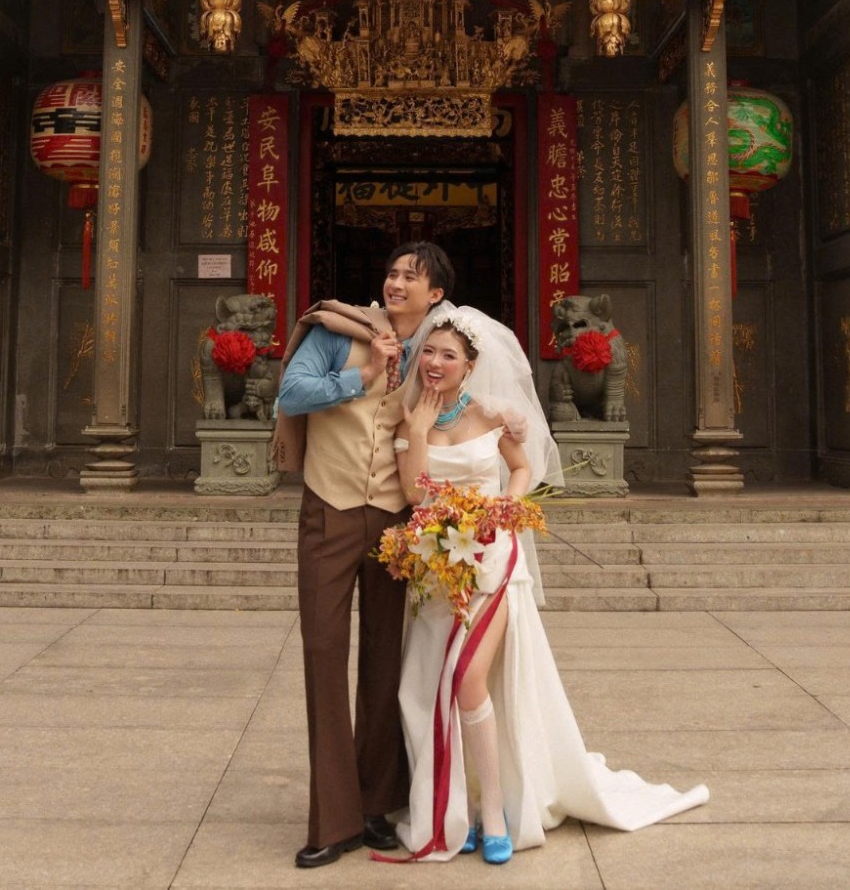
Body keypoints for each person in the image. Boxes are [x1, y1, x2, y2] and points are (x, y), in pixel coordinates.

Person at [386, 308, 708, 865]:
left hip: (494, 562)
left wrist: (503, 507)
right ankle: (459, 805)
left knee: (468, 679)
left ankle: (494, 816)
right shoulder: (407, 420)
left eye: (448, 355)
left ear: (469, 366)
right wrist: (416, 432)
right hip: (437, 569)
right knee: (431, 688)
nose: (435, 363)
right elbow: (416, 495)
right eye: (429, 352)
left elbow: (520, 470)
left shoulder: (491, 416)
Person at [272, 241, 456, 870]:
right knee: (324, 653)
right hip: (330, 508)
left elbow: (458, 417)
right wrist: (366, 374)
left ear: (436, 295)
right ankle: (334, 819)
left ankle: (378, 805)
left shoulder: (434, 353)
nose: (397, 282)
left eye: (412, 276)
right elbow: (292, 394)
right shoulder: (336, 329)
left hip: (394, 517)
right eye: (393, 272)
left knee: (385, 660)